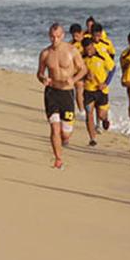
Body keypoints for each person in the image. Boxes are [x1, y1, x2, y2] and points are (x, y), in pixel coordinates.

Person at [37, 23, 88, 169]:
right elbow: (39, 73)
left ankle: (64, 140)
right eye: (52, 37)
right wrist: (43, 79)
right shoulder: (45, 53)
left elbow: (83, 69)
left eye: (58, 37)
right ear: (49, 36)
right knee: (54, 128)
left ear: (63, 36)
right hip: (52, 93)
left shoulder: (72, 51)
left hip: (67, 93)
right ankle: (58, 159)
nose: (55, 40)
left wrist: (74, 79)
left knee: (66, 133)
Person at [80, 37, 115, 145]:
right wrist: (85, 77)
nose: (88, 51)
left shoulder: (102, 56)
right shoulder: (81, 58)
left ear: (93, 46)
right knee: (89, 113)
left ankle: (104, 119)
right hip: (88, 90)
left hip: (101, 90)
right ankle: (92, 139)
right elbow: (76, 72)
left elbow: (112, 69)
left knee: (100, 115)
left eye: (90, 48)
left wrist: (105, 83)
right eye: (86, 49)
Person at [68, 23, 86, 109]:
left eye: (76, 35)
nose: (75, 37)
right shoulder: (70, 45)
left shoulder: (87, 41)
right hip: (77, 71)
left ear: (81, 32)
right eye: (73, 35)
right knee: (79, 88)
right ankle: (82, 111)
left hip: (90, 69)